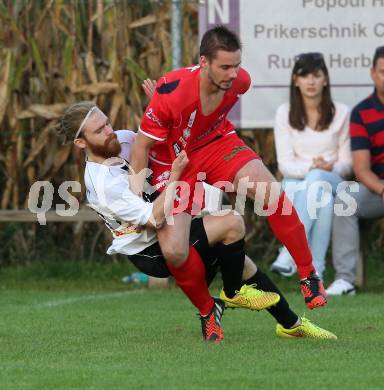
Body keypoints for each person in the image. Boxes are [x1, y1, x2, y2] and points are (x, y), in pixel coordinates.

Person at [55, 102, 337, 340]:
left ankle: (290, 325)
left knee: (241, 261)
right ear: (81, 143)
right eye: (99, 130)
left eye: (107, 123)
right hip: (150, 251)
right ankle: (231, 294)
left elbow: (167, 141)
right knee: (231, 223)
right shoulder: (103, 183)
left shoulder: (126, 140)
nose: (109, 131)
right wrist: (176, 176)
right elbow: (153, 218)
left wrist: (163, 111)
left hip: (170, 229)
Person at [131, 25, 327, 310]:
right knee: (174, 251)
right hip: (178, 161)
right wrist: (135, 202)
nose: (233, 74)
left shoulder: (240, 82)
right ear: (203, 62)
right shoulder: (171, 91)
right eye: (224, 67)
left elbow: (207, 114)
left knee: (273, 196)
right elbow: (140, 148)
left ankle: (309, 275)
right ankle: (210, 310)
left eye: (236, 65)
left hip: (217, 144)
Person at [270, 52, 352, 280]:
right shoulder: (284, 113)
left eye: (316, 75)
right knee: (322, 200)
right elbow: (285, 165)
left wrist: (327, 168)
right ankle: (316, 276)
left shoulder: (342, 113)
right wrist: (313, 167)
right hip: (297, 184)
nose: (311, 81)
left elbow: (346, 165)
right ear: (295, 80)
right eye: (304, 76)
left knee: (318, 182)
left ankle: (288, 253)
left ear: (325, 79)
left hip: (334, 181)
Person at [327, 46, 384, 295]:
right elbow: (361, 169)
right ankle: (345, 281)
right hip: (379, 191)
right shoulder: (362, 113)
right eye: (383, 71)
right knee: (346, 197)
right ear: (373, 73)